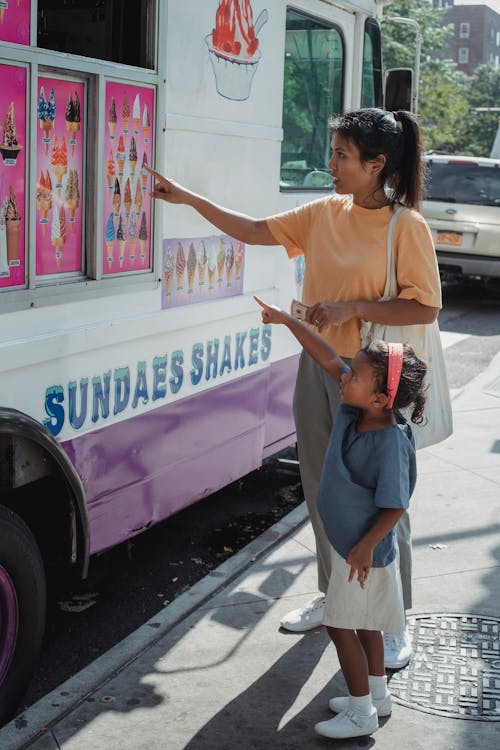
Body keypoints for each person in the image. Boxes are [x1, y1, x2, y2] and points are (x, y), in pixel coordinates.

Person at [146, 107, 442, 669]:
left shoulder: (407, 227)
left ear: (377, 165)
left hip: (375, 379)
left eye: (342, 156)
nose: (330, 165)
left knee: (383, 499)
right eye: (332, 152)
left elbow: (425, 304)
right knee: (321, 490)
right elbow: (257, 231)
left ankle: (392, 616)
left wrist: (353, 306)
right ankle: (336, 595)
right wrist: (189, 199)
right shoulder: (324, 212)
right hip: (319, 367)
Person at [255, 294, 427, 739]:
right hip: (353, 547)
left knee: (340, 624)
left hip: (362, 556)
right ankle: (377, 695)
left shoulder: (389, 442)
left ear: (380, 395)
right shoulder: (356, 409)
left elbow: (395, 506)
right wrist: (286, 322)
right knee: (367, 625)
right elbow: (328, 355)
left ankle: (360, 713)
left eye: (357, 375)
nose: (345, 375)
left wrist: (366, 547)